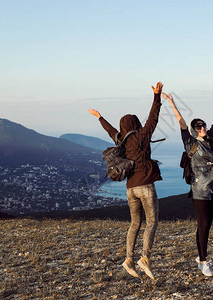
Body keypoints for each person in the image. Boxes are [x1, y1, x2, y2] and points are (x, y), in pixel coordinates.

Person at [88, 81, 164, 280]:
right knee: (152, 221)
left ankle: (129, 259)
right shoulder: (141, 135)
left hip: (131, 188)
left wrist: (99, 117)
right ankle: (145, 258)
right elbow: (153, 119)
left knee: (135, 224)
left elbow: (110, 130)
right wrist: (157, 96)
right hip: (145, 185)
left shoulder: (120, 140)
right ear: (136, 124)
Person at [161, 90, 213, 276]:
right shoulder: (190, 143)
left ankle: (201, 256)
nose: (202, 128)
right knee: (203, 224)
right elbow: (181, 123)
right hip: (199, 190)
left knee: (206, 225)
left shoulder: (211, 138)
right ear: (193, 130)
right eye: (198, 127)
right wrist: (172, 103)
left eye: (203, 125)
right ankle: (203, 262)